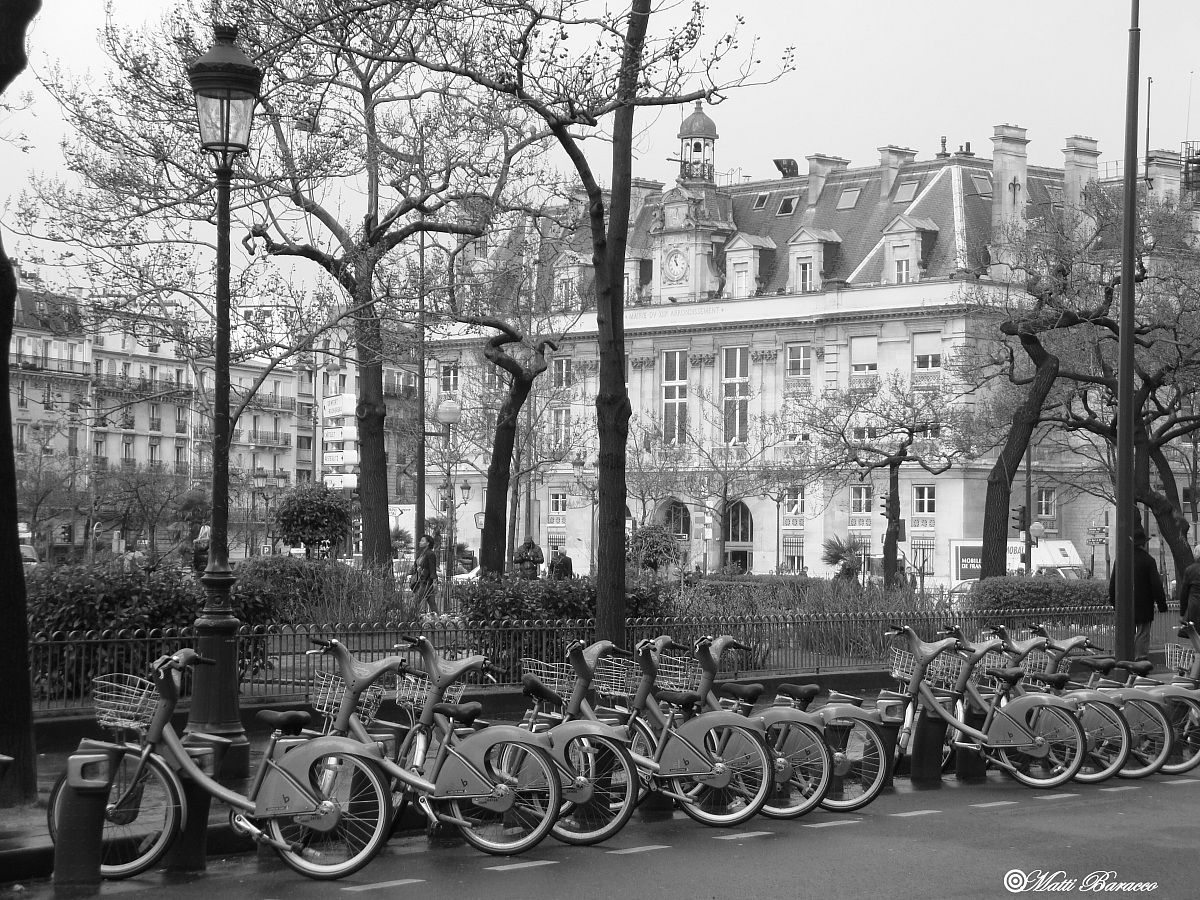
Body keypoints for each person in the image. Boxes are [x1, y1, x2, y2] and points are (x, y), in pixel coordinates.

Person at [1109, 526, 1167, 660]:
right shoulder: (1148, 560)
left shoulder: (1121, 559)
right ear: (1143, 544)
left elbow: (1113, 584)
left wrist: (1114, 603)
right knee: (1142, 633)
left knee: (1126, 632)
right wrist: (1162, 604)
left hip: (1124, 605)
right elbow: (1156, 585)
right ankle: (1140, 660)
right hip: (1144, 605)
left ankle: (1125, 659)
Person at [409, 533, 439, 615]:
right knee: (432, 603)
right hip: (420, 581)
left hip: (426, 582)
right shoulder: (421, 553)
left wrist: (434, 581)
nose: (420, 542)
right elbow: (415, 566)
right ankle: (438, 621)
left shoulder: (430, 554)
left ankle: (411, 619)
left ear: (428, 543)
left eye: (422, 541)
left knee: (415, 602)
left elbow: (432, 569)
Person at [1174, 543, 1200, 625]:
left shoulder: (1190, 570)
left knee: (1195, 634)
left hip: (1195, 608)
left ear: (1196, 555)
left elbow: (1184, 594)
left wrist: (1182, 613)